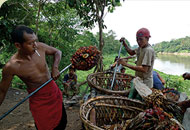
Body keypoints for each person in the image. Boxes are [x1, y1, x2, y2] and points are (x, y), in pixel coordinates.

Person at [0, 25, 67, 130]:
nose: (35, 45)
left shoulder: (40, 47)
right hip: (39, 101)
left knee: (62, 123)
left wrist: (55, 67)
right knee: (44, 126)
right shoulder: (12, 66)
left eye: (35, 41)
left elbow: (57, 52)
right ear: (18, 45)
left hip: (54, 93)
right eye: (30, 43)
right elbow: (2, 91)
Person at [118, 28, 155, 99]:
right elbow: (131, 52)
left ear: (147, 38)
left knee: (140, 102)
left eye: (141, 39)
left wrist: (125, 64)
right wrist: (124, 43)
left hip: (145, 83)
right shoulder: (140, 48)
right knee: (131, 98)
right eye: (137, 39)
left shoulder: (148, 50)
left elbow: (144, 69)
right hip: (138, 80)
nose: (138, 41)